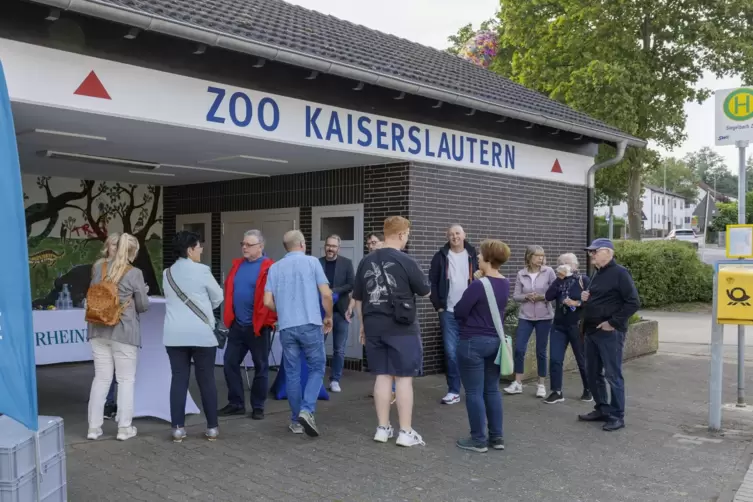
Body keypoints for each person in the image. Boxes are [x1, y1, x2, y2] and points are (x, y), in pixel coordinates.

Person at [353, 216, 430, 447]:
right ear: (401, 234)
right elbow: (425, 292)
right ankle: (405, 432)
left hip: (374, 325)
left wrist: (364, 325)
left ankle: (382, 428)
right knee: (404, 378)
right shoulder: (406, 261)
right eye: (407, 234)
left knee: (382, 376)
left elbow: (357, 298)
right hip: (402, 327)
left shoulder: (366, 261)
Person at [264, 230, 333, 437]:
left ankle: (295, 421)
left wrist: (283, 311)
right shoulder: (312, 263)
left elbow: (267, 302)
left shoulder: (274, 268)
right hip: (310, 323)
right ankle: (307, 410)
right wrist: (328, 315)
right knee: (317, 367)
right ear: (302, 244)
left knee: (292, 373)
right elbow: (327, 294)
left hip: (286, 327)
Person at [86, 233, 149, 441]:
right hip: (123, 332)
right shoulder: (134, 273)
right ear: (132, 252)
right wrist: (142, 293)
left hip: (97, 330)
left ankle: (93, 428)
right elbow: (142, 306)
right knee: (125, 380)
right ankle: (124, 428)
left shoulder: (98, 268)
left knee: (101, 378)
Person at [163, 231, 224, 442]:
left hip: (174, 334)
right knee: (206, 379)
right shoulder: (203, 270)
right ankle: (212, 428)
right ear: (190, 250)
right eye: (199, 247)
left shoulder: (167, 273)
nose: (201, 250)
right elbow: (218, 297)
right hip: (201, 333)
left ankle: (178, 429)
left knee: (179, 378)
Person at [453, 239, 511, 453]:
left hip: (472, 342)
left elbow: (459, 311)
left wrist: (475, 283)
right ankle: (497, 437)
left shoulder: (478, 285)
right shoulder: (505, 282)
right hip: (495, 342)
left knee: (474, 392)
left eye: (480, 254)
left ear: (487, 258)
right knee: (492, 390)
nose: (477, 256)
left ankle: (478, 439)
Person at [578, 239, 640, 432]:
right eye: (590, 252)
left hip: (609, 333)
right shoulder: (597, 273)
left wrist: (612, 323)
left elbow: (633, 302)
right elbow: (602, 298)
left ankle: (617, 416)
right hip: (591, 331)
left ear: (607, 252)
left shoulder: (620, 273)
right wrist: (585, 298)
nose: (591, 255)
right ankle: (602, 408)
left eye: (594, 252)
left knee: (613, 374)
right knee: (593, 372)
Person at [219, 230, 277, 420]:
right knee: (229, 363)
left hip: (259, 327)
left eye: (249, 244)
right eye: (243, 244)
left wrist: (271, 318)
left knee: (261, 367)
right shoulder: (238, 266)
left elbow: (277, 295)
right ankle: (236, 403)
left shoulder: (270, 267)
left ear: (260, 247)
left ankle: (258, 406)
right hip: (238, 325)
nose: (244, 247)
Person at [429, 225, 479, 405]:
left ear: (464, 235)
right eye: (450, 234)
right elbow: (432, 282)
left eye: (457, 233)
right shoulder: (440, 256)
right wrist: (438, 306)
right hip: (448, 311)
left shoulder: (474, 255)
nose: (454, 236)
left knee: (471, 352)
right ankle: (453, 390)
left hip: (471, 312)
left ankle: (474, 388)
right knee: (451, 352)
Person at [504, 245, 556, 398]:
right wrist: (527, 297)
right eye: (537, 256)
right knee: (519, 349)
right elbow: (516, 296)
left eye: (542, 255)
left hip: (544, 317)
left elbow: (556, 291)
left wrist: (542, 297)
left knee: (541, 351)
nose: (541, 258)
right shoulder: (522, 273)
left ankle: (541, 384)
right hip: (525, 316)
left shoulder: (549, 272)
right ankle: (518, 383)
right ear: (529, 257)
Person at [543, 253, 591, 404]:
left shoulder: (583, 280)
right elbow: (549, 296)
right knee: (555, 359)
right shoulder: (558, 281)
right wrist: (559, 278)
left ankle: (588, 389)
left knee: (582, 359)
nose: (565, 265)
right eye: (562, 263)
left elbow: (592, 300)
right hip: (559, 325)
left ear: (575, 266)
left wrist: (576, 304)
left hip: (576, 325)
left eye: (568, 263)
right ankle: (556, 391)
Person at [319, 234, 355, 393]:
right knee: (318, 346)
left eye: (333, 246)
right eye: (328, 245)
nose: (330, 249)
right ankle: (317, 379)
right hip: (321, 312)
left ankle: (335, 380)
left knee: (339, 349)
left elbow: (351, 284)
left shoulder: (346, 263)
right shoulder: (317, 263)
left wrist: (334, 291)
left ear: (338, 248)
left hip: (340, 312)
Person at [96, 232, 121, 421]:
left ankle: (110, 403)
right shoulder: (100, 267)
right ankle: (108, 403)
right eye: (114, 245)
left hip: (113, 322)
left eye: (119, 245)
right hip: (107, 321)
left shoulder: (127, 267)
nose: (117, 248)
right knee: (108, 368)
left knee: (113, 368)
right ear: (107, 246)